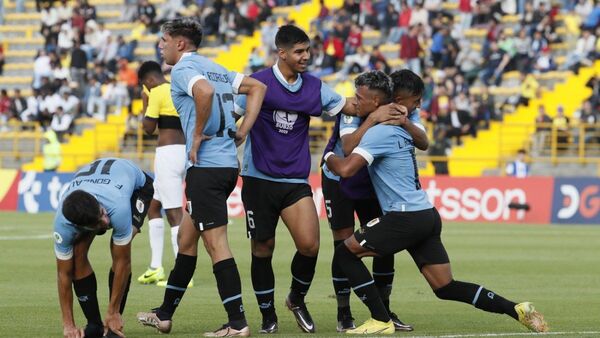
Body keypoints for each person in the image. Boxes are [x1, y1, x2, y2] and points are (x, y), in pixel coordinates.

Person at [322, 70, 548, 334]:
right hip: (426, 214)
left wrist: (328, 157)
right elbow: (421, 140)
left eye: (360, 98)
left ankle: (381, 319)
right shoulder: (404, 129)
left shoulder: (379, 133)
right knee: (445, 286)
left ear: (378, 103)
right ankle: (515, 308)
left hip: (403, 216)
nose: (355, 101)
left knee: (345, 253)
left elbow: (347, 167)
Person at [233, 25, 401, 334]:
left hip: (296, 180)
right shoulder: (257, 82)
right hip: (258, 179)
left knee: (310, 246)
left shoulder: (314, 87)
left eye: (308, 50)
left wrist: (382, 107)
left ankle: (296, 299)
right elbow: (232, 116)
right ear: (281, 53)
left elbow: (352, 105)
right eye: (299, 51)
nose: (306, 56)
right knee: (263, 248)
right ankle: (268, 315)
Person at [136, 18, 266, 337]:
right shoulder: (217, 67)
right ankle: (164, 314)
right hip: (225, 166)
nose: (160, 45)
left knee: (216, 244)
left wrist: (195, 136)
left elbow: (204, 92)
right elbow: (257, 88)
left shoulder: (182, 69)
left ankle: (237, 324)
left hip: (206, 168)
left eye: (164, 40)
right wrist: (244, 129)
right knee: (186, 240)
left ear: (180, 43)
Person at [321, 70, 429, 332]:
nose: (355, 100)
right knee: (343, 244)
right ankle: (343, 312)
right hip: (339, 181)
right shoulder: (351, 107)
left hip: (372, 185)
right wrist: (371, 120)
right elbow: (347, 148)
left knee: (384, 247)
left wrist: (404, 121)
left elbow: (423, 141)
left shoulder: (402, 110)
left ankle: (384, 310)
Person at [54, 158, 154, 338]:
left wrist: (113, 311)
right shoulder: (63, 224)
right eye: (99, 222)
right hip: (102, 188)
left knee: (119, 248)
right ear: (79, 226)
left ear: (98, 204)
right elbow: (63, 274)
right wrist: (68, 325)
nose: (106, 221)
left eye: (101, 213)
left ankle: (113, 321)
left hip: (137, 189)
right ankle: (95, 325)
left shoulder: (117, 206)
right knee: (77, 254)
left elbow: (124, 261)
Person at [135, 60, 188, 287]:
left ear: (149, 80)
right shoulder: (178, 90)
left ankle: (182, 274)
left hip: (167, 154)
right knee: (153, 208)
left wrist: (145, 102)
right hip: (183, 151)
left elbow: (148, 128)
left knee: (175, 213)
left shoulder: (156, 92)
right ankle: (155, 267)